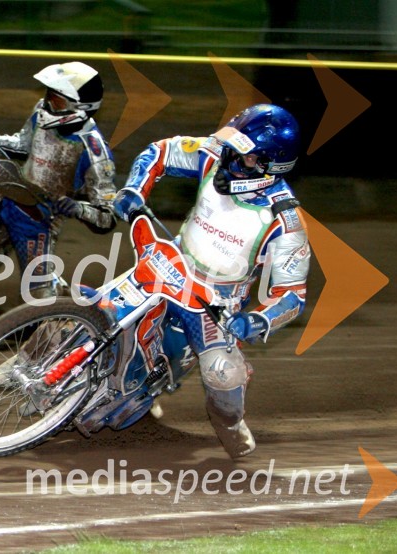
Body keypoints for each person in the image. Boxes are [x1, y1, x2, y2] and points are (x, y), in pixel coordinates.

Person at [112, 104, 310, 458]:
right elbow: (160, 150)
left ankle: (229, 422)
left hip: (214, 303)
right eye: (233, 147)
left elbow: (292, 293)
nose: (230, 159)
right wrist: (134, 189)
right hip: (168, 264)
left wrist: (260, 320)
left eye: (244, 156)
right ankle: (30, 358)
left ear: (269, 165)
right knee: (98, 305)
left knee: (223, 374)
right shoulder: (214, 155)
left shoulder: (285, 221)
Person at [0, 61, 117, 299]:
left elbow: (107, 217)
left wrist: (78, 208)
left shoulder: (95, 153)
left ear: (80, 107)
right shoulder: (42, 112)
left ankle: (69, 305)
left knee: (38, 298)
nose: (48, 103)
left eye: (56, 101)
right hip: (10, 190)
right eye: (49, 96)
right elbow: (23, 144)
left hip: (40, 219)